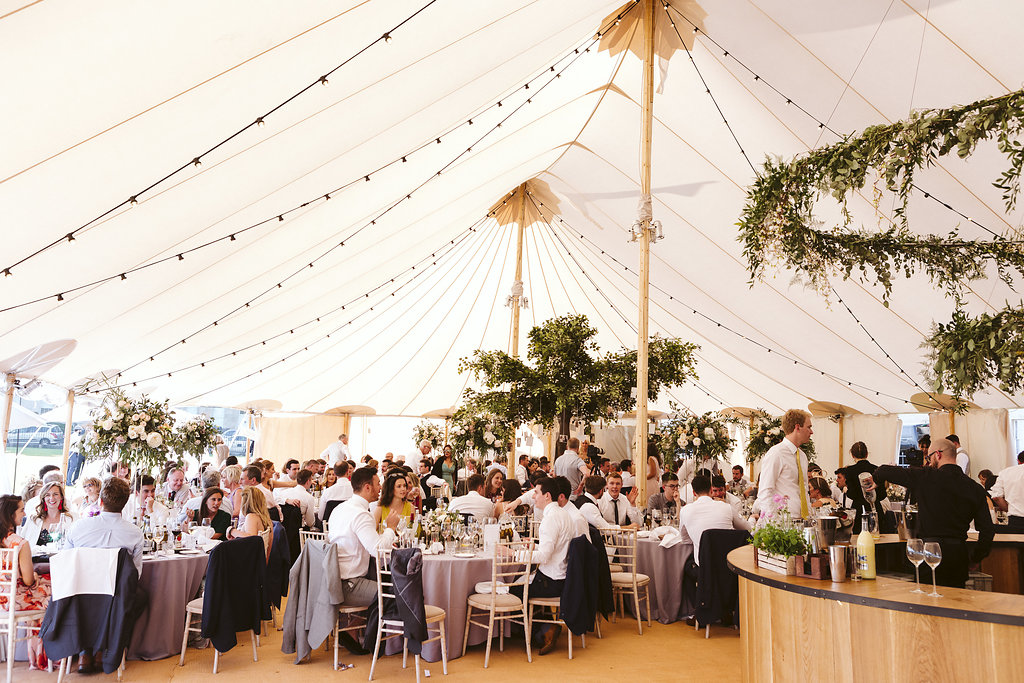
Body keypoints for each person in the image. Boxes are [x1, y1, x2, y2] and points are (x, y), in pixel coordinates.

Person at [869, 438, 993, 588]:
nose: (928, 461)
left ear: (938, 455)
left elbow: (884, 470)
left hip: (929, 552)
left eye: (928, 457)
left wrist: (876, 479)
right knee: (956, 602)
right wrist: (976, 557)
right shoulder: (975, 488)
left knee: (927, 600)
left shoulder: (926, 476)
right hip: (958, 554)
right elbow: (987, 530)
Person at [327, 467, 397, 608]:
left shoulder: (340, 508)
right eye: (378, 484)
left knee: (395, 587)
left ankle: (358, 628)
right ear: (367, 487)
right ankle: (375, 630)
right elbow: (378, 551)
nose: (380, 488)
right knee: (399, 595)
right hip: (348, 585)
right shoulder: (361, 514)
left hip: (331, 580)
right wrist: (390, 527)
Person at [524, 477, 575, 655]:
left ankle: (543, 631)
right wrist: (534, 545)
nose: (533, 497)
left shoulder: (550, 519)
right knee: (521, 583)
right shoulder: (563, 514)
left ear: (547, 496)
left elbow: (544, 557)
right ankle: (547, 627)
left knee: (513, 591)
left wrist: (513, 554)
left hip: (551, 581)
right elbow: (556, 549)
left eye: (536, 493)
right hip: (562, 578)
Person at [0, 495, 51, 669]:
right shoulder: (20, 543)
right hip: (15, 602)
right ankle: (48, 658)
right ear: (10, 515)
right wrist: (36, 577)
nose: (25, 513)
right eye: (21, 510)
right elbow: (28, 581)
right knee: (51, 593)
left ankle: (35, 658)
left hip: (1, 601)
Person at [65, 476, 144, 576]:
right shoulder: (136, 533)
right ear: (125, 503)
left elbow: (66, 562)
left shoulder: (77, 527)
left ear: (100, 501)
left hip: (82, 588)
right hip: (119, 590)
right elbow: (136, 573)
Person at [754, 409, 813, 519]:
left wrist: (809, 517)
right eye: (808, 427)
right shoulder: (776, 453)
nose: (811, 432)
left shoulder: (802, 456)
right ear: (797, 427)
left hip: (802, 520)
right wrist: (774, 522)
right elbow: (765, 492)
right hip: (783, 521)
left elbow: (804, 490)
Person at [679, 475, 751, 565]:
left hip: (704, 566)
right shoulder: (726, 507)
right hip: (729, 562)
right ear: (711, 490)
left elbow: (685, 540)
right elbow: (748, 528)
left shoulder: (685, 510)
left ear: (694, 492)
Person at [838, 441, 890, 534]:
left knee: (860, 537)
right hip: (875, 508)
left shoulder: (849, 471)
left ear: (852, 455)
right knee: (877, 538)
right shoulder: (876, 469)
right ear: (866, 454)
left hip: (859, 510)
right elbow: (882, 495)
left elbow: (851, 494)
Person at [23, 481, 76, 554]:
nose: (52, 498)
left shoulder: (72, 518)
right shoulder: (34, 519)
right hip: (37, 562)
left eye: (55, 494)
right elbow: (24, 543)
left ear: (61, 497)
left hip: (63, 560)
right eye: (47, 495)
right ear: (43, 498)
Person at [226, 487, 273, 558]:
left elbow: (250, 539)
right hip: (258, 562)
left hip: (248, 561)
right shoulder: (267, 519)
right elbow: (269, 547)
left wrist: (231, 530)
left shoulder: (251, 517)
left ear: (245, 503)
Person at [991, 451, 1024, 530]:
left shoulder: (1006, 472)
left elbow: (996, 496)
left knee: (1017, 541)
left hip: (1016, 519)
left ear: (1018, 461)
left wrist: (1009, 509)